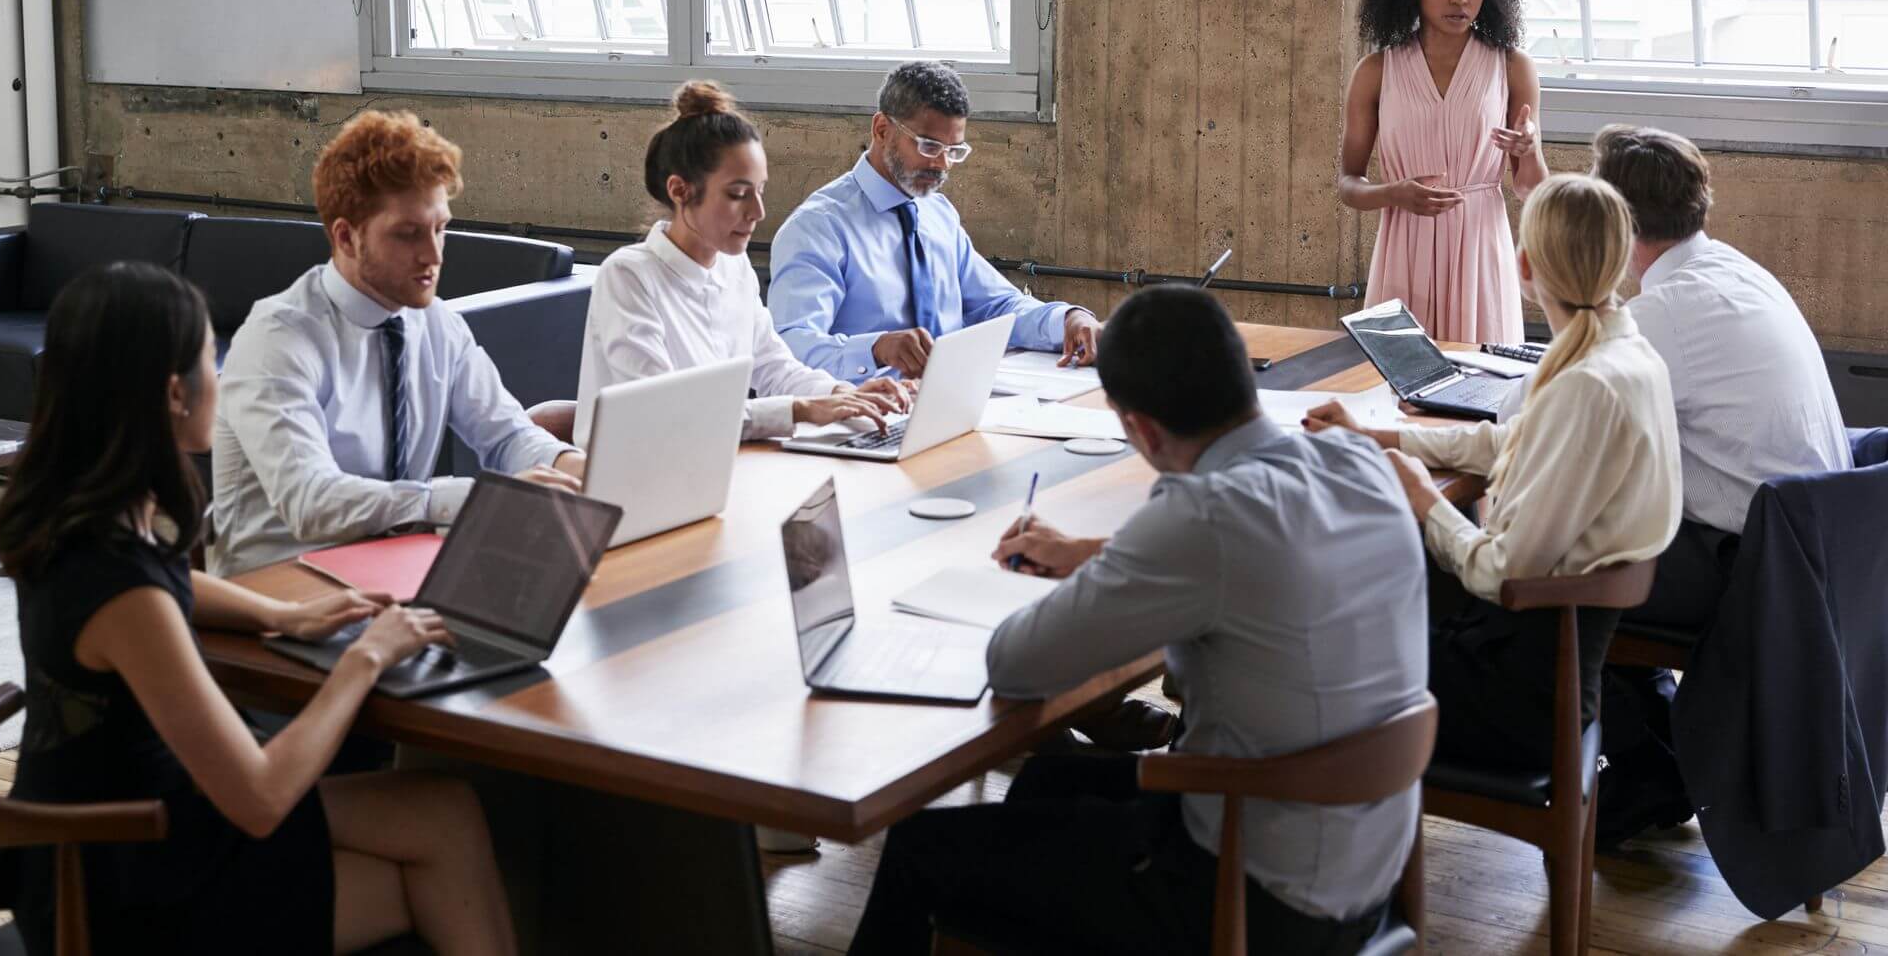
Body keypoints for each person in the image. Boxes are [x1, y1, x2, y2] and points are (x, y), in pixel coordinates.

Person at [847, 286, 1429, 956]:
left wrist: (1084, 572)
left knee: (923, 846)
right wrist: (1099, 556)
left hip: (1251, 898)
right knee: (1048, 780)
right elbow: (1252, 563)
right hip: (1361, 860)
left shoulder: (1201, 515)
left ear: (1141, 430)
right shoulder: (1358, 462)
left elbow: (1015, 663)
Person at [0, 261, 516, 956]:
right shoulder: (123, 590)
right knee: (433, 873)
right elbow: (260, 797)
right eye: (213, 360)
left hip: (121, 833)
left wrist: (282, 616)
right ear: (175, 393)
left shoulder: (72, 515)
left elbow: (170, 585)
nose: (223, 382)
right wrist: (366, 656)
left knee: (445, 811)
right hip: (130, 889)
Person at [1306, 173, 1680, 773]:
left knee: (1297, 652)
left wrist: (1425, 500)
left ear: (1525, 267)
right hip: (1551, 666)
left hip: (1516, 699)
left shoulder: (1584, 383)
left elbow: (1499, 571)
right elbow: (1513, 441)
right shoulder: (1627, 353)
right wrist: (1379, 435)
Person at [210, 111, 582, 577]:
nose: (434, 255)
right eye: (408, 234)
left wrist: (569, 467)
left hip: (398, 573)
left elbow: (506, 434)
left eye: (440, 228)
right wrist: (469, 500)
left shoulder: (436, 323)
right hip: (277, 591)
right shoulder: (279, 338)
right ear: (346, 236)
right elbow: (310, 501)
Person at [1590, 124, 1849, 631]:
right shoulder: (1736, 269)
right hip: (1818, 550)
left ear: (1614, 221)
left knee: (1559, 565)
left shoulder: (1666, 314)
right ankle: (1642, 710)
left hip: (1754, 568)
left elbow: (1536, 415)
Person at [573, 81, 910, 445]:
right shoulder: (628, 276)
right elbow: (662, 409)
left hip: (717, 462)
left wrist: (841, 393)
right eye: (737, 194)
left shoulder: (734, 268)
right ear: (679, 190)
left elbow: (774, 367)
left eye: (759, 190)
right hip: (637, 482)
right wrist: (799, 410)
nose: (758, 212)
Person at [768, 60, 1099, 381]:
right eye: (929, 146)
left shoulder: (936, 214)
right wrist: (875, 349)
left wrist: (1067, 319)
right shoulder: (818, 228)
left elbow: (997, 305)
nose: (943, 165)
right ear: (882, 130)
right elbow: (791, 348)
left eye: (954, 151)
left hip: (948, 404)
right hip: (865, 413)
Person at [1338, 0, 1548, 344]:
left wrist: (1529, 151)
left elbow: (1531, 188)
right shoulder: (1376, 71)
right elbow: (1348, 183)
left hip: (1480, 251)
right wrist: (1393, 194)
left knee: (1484, 392)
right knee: (1395, 392)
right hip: (1404, 250)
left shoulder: (1511, 67)